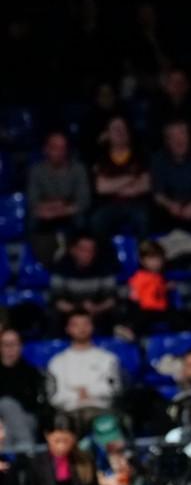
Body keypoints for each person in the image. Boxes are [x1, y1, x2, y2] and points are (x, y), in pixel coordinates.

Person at [27, 131, 90, 259]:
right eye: (55, 147)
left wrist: (61, 210)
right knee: (32, 220)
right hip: (46, 214)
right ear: (46, 149)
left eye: (63, 148)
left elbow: (84, 200)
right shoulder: (36, 171)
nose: (60, 152)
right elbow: (33, 201)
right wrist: (53, 206)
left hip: (70, 213)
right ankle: (39, 259)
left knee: (82, 219)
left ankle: (78, 258)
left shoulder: (78, 169)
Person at [90, 116, 152, 238]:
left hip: (136, 203)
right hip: (109, 204)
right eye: (115, 129)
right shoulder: (101, 157)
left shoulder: (141, 154)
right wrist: (131, 177)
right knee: (96, 220)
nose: (119, 132)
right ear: (107, 134)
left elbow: (146, 185)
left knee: (144, 218)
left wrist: (114, 185)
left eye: (123, 128)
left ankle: (145, 250)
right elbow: (101, 188)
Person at [47, 311, 121, 413]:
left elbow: (113, 388)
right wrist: (77, 395)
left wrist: (88, 391)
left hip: (103, 410)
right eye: (76, 325)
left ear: (93, 327)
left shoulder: (108, 358)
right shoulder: (57, 362)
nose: (81, 328)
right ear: (67, 329)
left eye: (86, 324)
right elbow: (55, 396)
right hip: (68, 412)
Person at [50, 233, 118, 333]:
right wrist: (79, 309)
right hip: (69, 315)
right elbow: (57, 301)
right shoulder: (61, 269)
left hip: (98, 314)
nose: (87, 254)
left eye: (91, 250)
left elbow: (111, 300)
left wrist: (96, 308)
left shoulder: (104, 268)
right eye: (83, 250)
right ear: (73, 250)